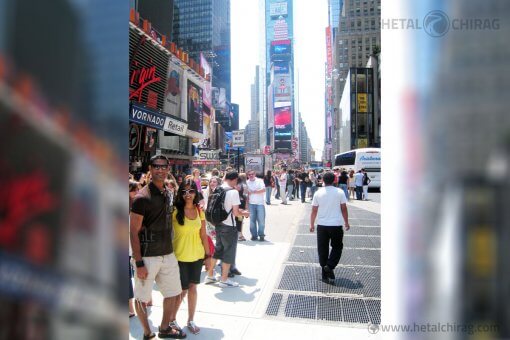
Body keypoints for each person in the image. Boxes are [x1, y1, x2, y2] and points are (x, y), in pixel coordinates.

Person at [130, 155, 186, 339]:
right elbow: (133, 232)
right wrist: (139, 263)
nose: (160, 169)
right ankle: (147, 332)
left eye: (163, 166)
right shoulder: (141, 198)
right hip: (147, 256)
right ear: (150, 168)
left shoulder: (168, 193)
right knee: (141, 298)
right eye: (156, 166)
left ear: (168, 168)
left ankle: (164, 328)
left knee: (174, 293)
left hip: (167, 253)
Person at [170, 179, 211, 335]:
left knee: (193, 288)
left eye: (191, 191)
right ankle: (172, 319)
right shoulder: (174, 211)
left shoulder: (200, 211)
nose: (188, 194)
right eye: (184, 191)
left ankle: (190, 319)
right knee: (181, 290)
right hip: (179, 256)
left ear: (196, 192)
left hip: (197, 256)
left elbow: (203, 235)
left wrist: (208, 256)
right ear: (180, 194)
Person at [205, 171, 249, 287]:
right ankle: (224, 280)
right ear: (234, 179)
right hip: (229, 226)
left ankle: (210, 275)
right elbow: (235, 212)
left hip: (218, 224)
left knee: (217, 251)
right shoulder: (233, 192)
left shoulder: (217, 189)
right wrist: (244, 213)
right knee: (228, 253)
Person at [309, 171, 350, 283]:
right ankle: (330, 266)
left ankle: (324, 273)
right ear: (334, 180)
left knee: (323, 249)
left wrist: (312, 224)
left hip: (322, 225)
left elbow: (314, 210)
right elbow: (344, 208)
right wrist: (346, 222)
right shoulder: (340, 192)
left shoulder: (318, 193)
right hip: (336, 225)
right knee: (337, 247)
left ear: (323, 180)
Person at [246, 170, 267, 241]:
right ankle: (254, 235)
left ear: (255, 174)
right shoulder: (247, 182)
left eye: (252, 174)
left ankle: (261, 234)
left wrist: (254, 191)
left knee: (261, 221)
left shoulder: (260, 181)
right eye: (249, 175)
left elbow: (263, 189)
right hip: (251, 204)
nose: (251, 176)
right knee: (252, 221)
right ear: (247, 175)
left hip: (260, 204)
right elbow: (247, 194)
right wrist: (247, 206)